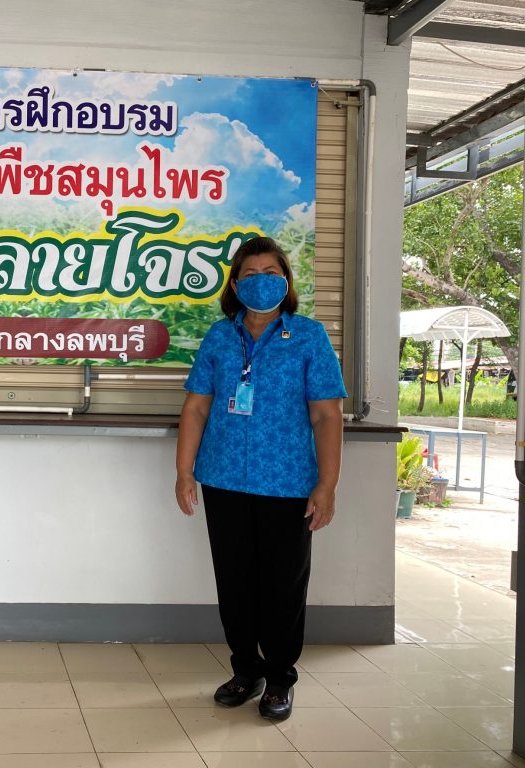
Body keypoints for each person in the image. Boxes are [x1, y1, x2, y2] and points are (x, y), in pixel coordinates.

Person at [174, 235, 345, 721]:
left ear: (286, 281)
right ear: (235, 284)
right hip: (223, 478)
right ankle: (245, 670)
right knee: (235, 581)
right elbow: (196, 407)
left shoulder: (309, 336)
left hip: (287, 483)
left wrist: (327, 484)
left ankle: (280, 678)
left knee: (283, 585)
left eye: (271, 272)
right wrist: (184, 471)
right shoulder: (219, 336)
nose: (261, 281)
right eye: (250, 274)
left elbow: (327, 416)